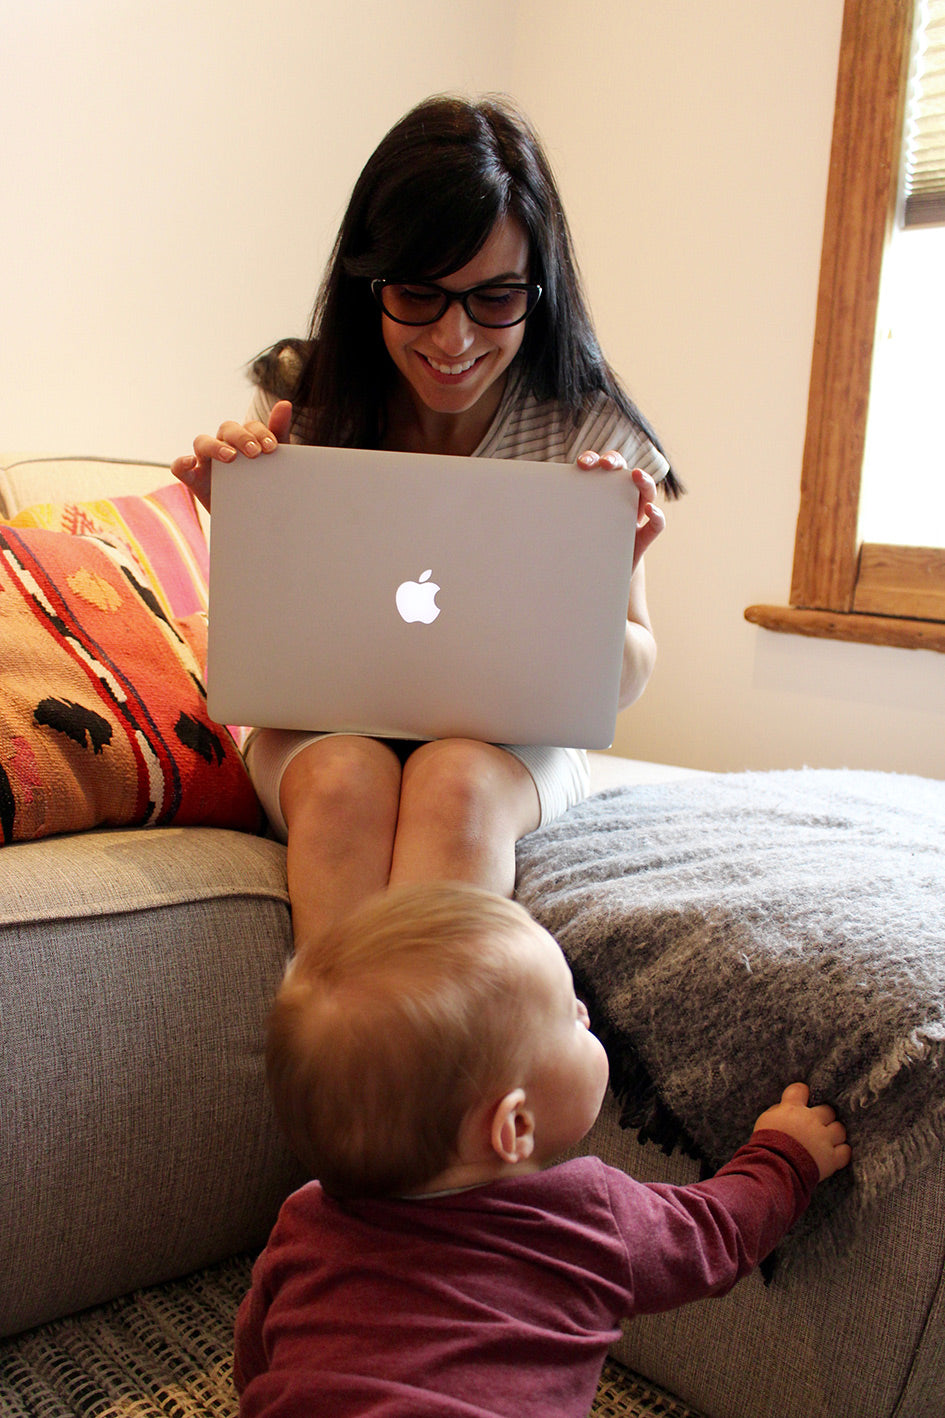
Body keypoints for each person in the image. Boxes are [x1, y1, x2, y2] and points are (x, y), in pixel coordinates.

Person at [172, 95, 682, 947]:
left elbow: (627, 680)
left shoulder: (585, 427)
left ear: (539, 290)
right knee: (343, 781)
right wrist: (251, 520)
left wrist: (600, 579)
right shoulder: (311, 397)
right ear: (368, 284)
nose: (453, 338)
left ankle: (416, 1075)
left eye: (495, 299)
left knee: (456, 783)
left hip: (512, 750)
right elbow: (266, 655)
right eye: (419, 295)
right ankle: (356, 1074)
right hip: (322, 731)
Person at [233, 882, 852, 1417]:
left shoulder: (304, 1220)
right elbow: (717, 1232)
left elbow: (257, 1356)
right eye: (568, 1015)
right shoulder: (583, 1216)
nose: (586, 1011)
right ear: (514, 1127)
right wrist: (787, 1154)